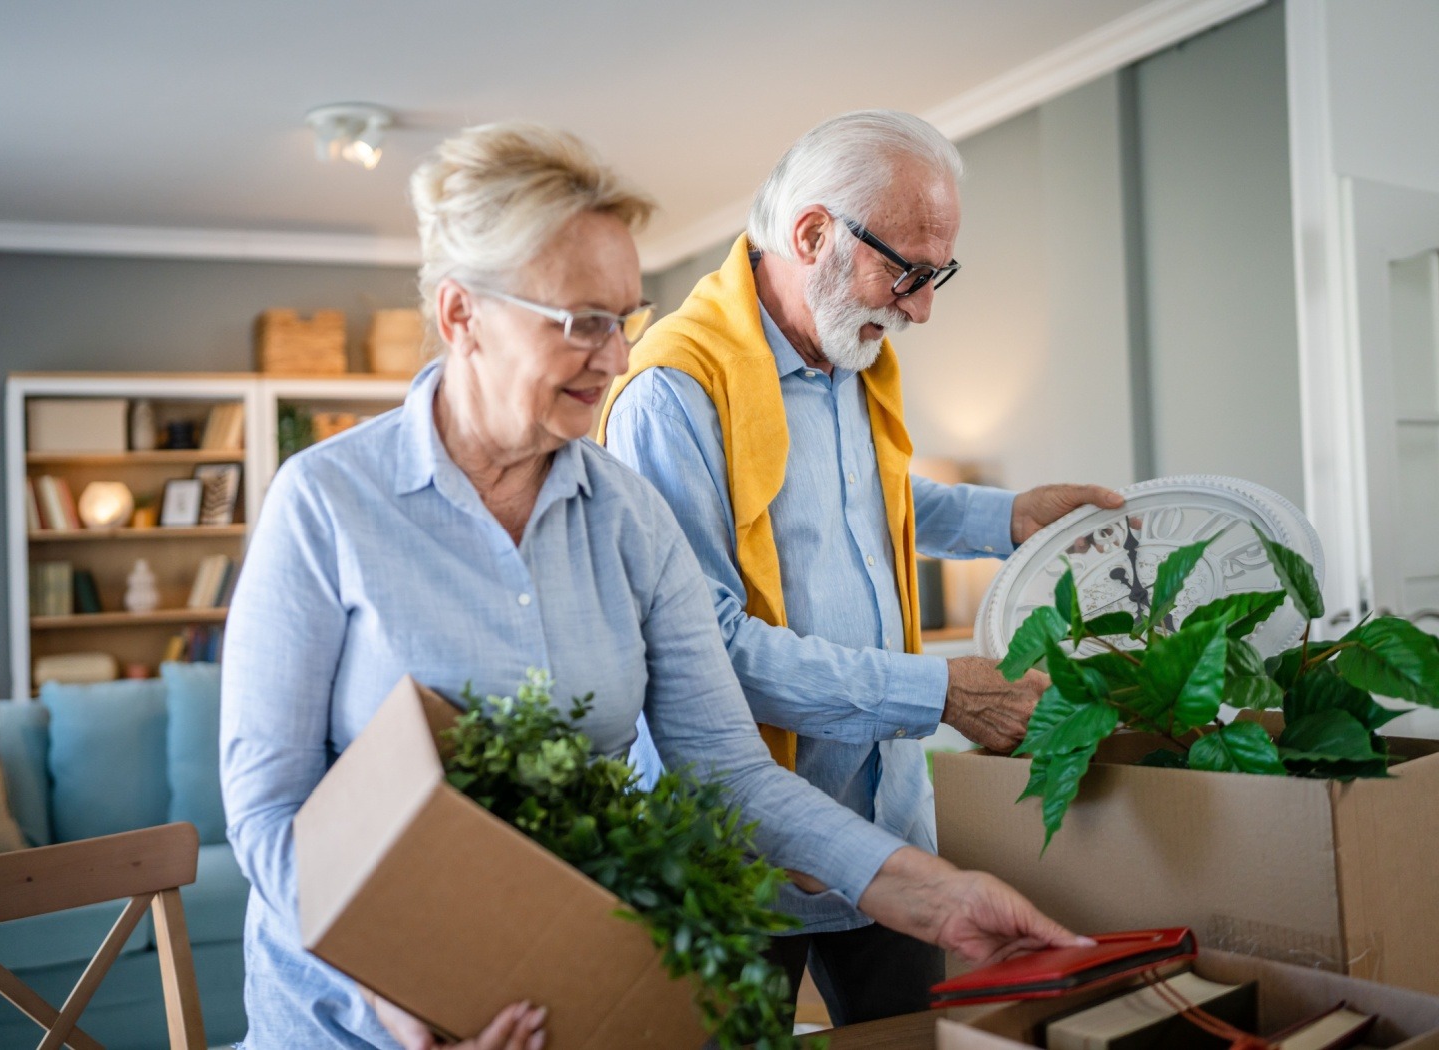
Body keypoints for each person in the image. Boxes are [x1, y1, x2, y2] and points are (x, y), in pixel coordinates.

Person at [220, 121, 1087, 1050]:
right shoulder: (326, 502)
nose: (619, 356)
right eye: (582, 322)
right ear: (461, 312)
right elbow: (272, 810)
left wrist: (935, 891)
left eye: (626, 318)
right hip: (349, 1021)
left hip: (566, 988)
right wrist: (403, 989)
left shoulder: (628, 519)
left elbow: (731, 771)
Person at [601, 109, 1123, 1025]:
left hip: (882, 826)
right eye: (909, 273)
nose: (922, 308)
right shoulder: (672, 392)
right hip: (738, 841)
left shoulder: (850, 354)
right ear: (812, 235)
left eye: (939, 274)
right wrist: (943, 693)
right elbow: (711, 651)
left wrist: (1006, 516)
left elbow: (863, 508)